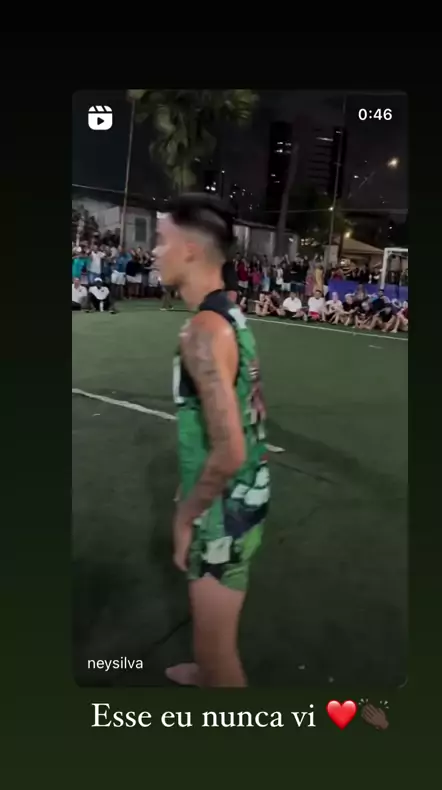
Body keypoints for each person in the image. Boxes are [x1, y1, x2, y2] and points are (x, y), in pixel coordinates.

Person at [154, 193, 269, 688]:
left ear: (190, 250)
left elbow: (230, 450)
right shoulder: (231, 316)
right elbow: (255, 403)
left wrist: (186, 515)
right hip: (245, 493)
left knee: (218, 654)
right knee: (211, 636)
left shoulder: (202, 332)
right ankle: (205, 670)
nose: (155, 251)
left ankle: (213, 675)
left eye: (162, 240)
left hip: (224, 509)